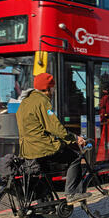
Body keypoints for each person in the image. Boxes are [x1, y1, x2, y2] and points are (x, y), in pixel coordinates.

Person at [16, 73, 91, 205]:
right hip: (41, 147)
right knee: (75, 158)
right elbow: (55, 127)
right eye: (53, 88)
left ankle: (45, 207)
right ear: (47, 88)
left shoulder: (25, 102)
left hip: (27, 148)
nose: (54, 91)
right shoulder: (42, 101)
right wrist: (74, 138)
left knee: (44, 176)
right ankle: (71, 194)